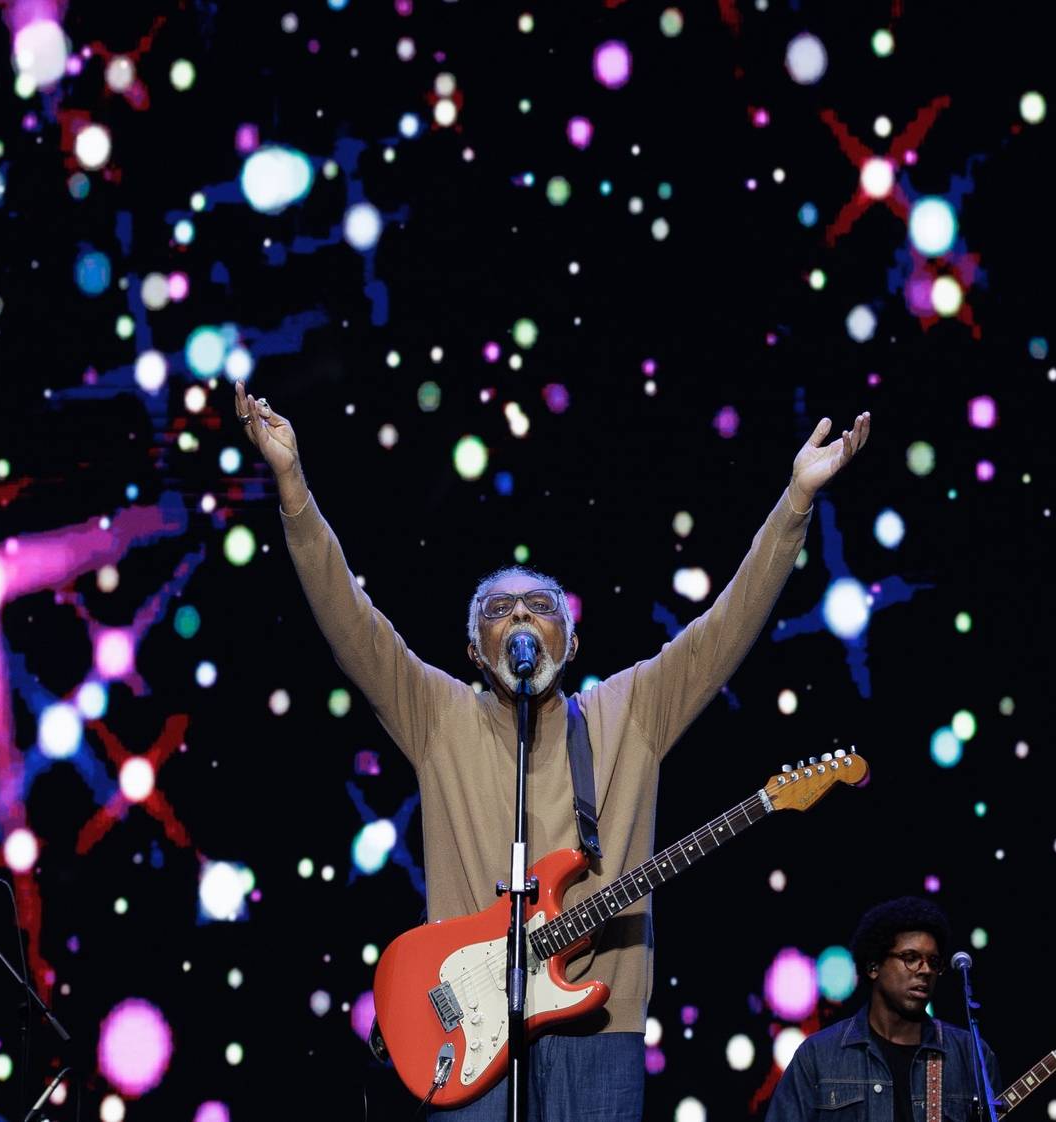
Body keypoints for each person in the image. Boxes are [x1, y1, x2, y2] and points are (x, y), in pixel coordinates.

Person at [236, 380, 870, 1120]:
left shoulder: (628, 711)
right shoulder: (440, 716)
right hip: (465, 1024)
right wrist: (292, 488)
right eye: (498, 610)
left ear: (572, 643)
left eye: (541, 606)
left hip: (600, 1028)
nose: (520, 617)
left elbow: (724, 627)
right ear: (475, 648)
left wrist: (794, 505)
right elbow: (351, 622)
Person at [767, 898, 999, 1122]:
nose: (925, 970)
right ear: (873, 967)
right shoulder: (817, 1056)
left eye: (933, 961)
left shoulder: (971, 1055)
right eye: (910, 958)